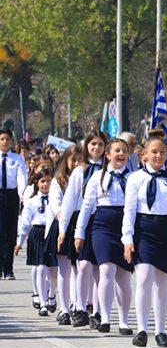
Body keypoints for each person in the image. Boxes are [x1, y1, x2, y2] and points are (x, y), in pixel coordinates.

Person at [122, 132, 167, 348]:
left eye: (162, 152)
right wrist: (127, 238)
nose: (158, 156)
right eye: (154, 152)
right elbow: (129, 209)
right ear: (145, 154)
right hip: (144, 229)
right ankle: (142, 329)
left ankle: (160, 330)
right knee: (143, 277)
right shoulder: (135, 178)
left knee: (162, 283)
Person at [75, 139, 133, 334]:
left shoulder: (133, 177)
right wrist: (79, 232)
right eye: (117, 150)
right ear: (107, 155)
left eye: (124, 151)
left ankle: (124, 321)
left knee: (124, 275)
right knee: (106, 269)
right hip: (102, 226)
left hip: (126, 226)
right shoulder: (97, 177)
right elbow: (86, 206)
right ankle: (105, 317)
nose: (121, 154)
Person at [58, 130, 107, 328]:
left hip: (103, 219)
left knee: (99, 268)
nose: (96, 148)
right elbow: (69, 202)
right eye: (92, 144)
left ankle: (97, 310)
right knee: (82, 266)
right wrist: (63, 229)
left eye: (100, 144)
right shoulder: (80, 171)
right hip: (82, 219)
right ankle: (78, 307)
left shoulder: (109, 170)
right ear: (86, 146)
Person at [44, 145, 83, 325]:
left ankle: (78, 305)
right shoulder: (57, 181)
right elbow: (56, 206)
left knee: (79, 269)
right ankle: (64, 308)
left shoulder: (85, 177)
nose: (75, 163)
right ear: (65, 160)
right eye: (72, 159)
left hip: (80, 224)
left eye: (79, 160)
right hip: (62, 226)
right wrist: (64, 221)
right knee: (64, 270)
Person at [15, 168, 58, 316]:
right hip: (37, 233)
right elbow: (25, 223)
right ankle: (43, 302)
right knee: (40, 268)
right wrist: (20, 242)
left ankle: (52, 294)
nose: (46, 184)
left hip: (52, 233)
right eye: (43, 181)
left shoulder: (57, 199)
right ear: (36, 183)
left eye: (49, 181)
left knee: (53, 271)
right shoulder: (31, 202)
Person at [0, 129, 27, 280]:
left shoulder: (17, 159)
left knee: (10, 233)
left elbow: (21, 176)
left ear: (11, 141)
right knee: (0, 231)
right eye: (2, 139)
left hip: (11, 196)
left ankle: (8, 269)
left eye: (7, 139)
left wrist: (22, 195)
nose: (4, 142)